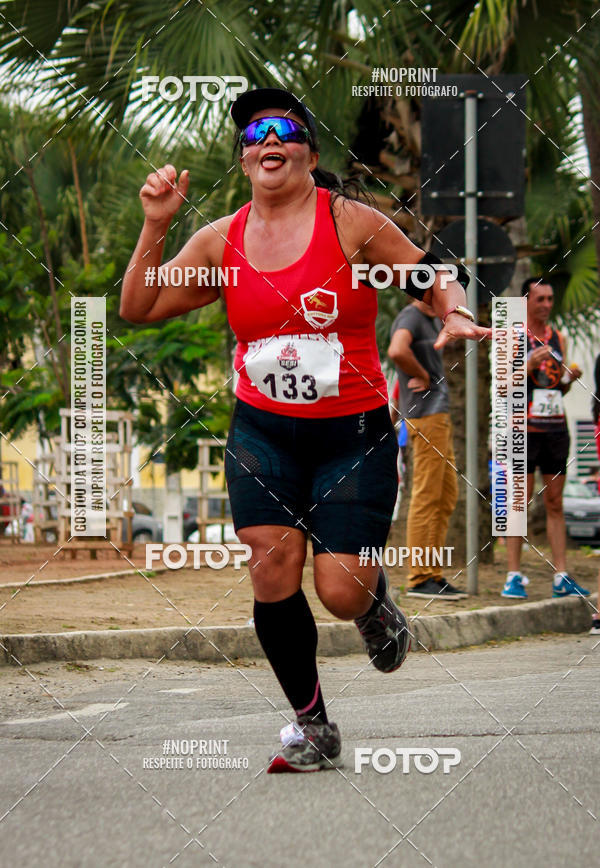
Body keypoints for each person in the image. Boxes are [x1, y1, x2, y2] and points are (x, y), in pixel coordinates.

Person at [120, 87, 489, 773]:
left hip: (351, 437)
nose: (268, 139)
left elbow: (433, 273)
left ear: (309, 153)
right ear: (244, 161)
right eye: (255, 133)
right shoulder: (220, 240)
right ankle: (311, 722)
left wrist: (456, 310)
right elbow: (138, 304)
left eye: (284, 129)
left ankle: (375, 601)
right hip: (262, 434)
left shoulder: (349, 223)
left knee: (339, 589)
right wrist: (156, 226)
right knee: (271, 566)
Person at [502, 277, 589, 599]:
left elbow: (557, 387)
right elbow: (502, 386)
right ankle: (513, 576)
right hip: (523, 431)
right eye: (541, 299)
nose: (547, 305)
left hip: (555, 428)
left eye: (550, 299)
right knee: (518, 503)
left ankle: (561, 576)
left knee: (555, 502)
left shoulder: (559, 339)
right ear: (526, 301)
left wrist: (570, 380)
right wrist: (526, 366)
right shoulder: (513, 338)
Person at [388, 298, 465, 599]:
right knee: (427, 494)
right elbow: (396, 350)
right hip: (427, 415)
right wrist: (420, 375)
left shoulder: (434, 318)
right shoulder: (411, 317)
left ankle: (433, 574)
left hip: (437, 414)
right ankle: (419, 578)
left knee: (446, 495)